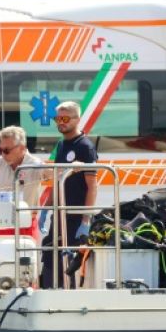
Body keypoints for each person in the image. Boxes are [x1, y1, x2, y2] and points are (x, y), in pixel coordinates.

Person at [42, 100, 99, 289]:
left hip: (75, 216)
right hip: (59, 215)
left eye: (65, 118)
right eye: (57, 118)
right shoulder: (61, 145)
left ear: (77, 119)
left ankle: (71, 296)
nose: (60, 122)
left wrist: (85, 220)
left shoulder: (85, 146)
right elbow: (58, 180)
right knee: (50, 255)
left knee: (71, 261)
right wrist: (45, 209)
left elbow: (92, 186)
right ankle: (51, 293)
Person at [0, 125, 50, 207]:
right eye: (0, 150)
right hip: (2, 216)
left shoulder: (34, 164)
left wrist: (71, 168)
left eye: (6, 150)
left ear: (22, 148)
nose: (3, 154)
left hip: (27, 217)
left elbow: (54, 173)